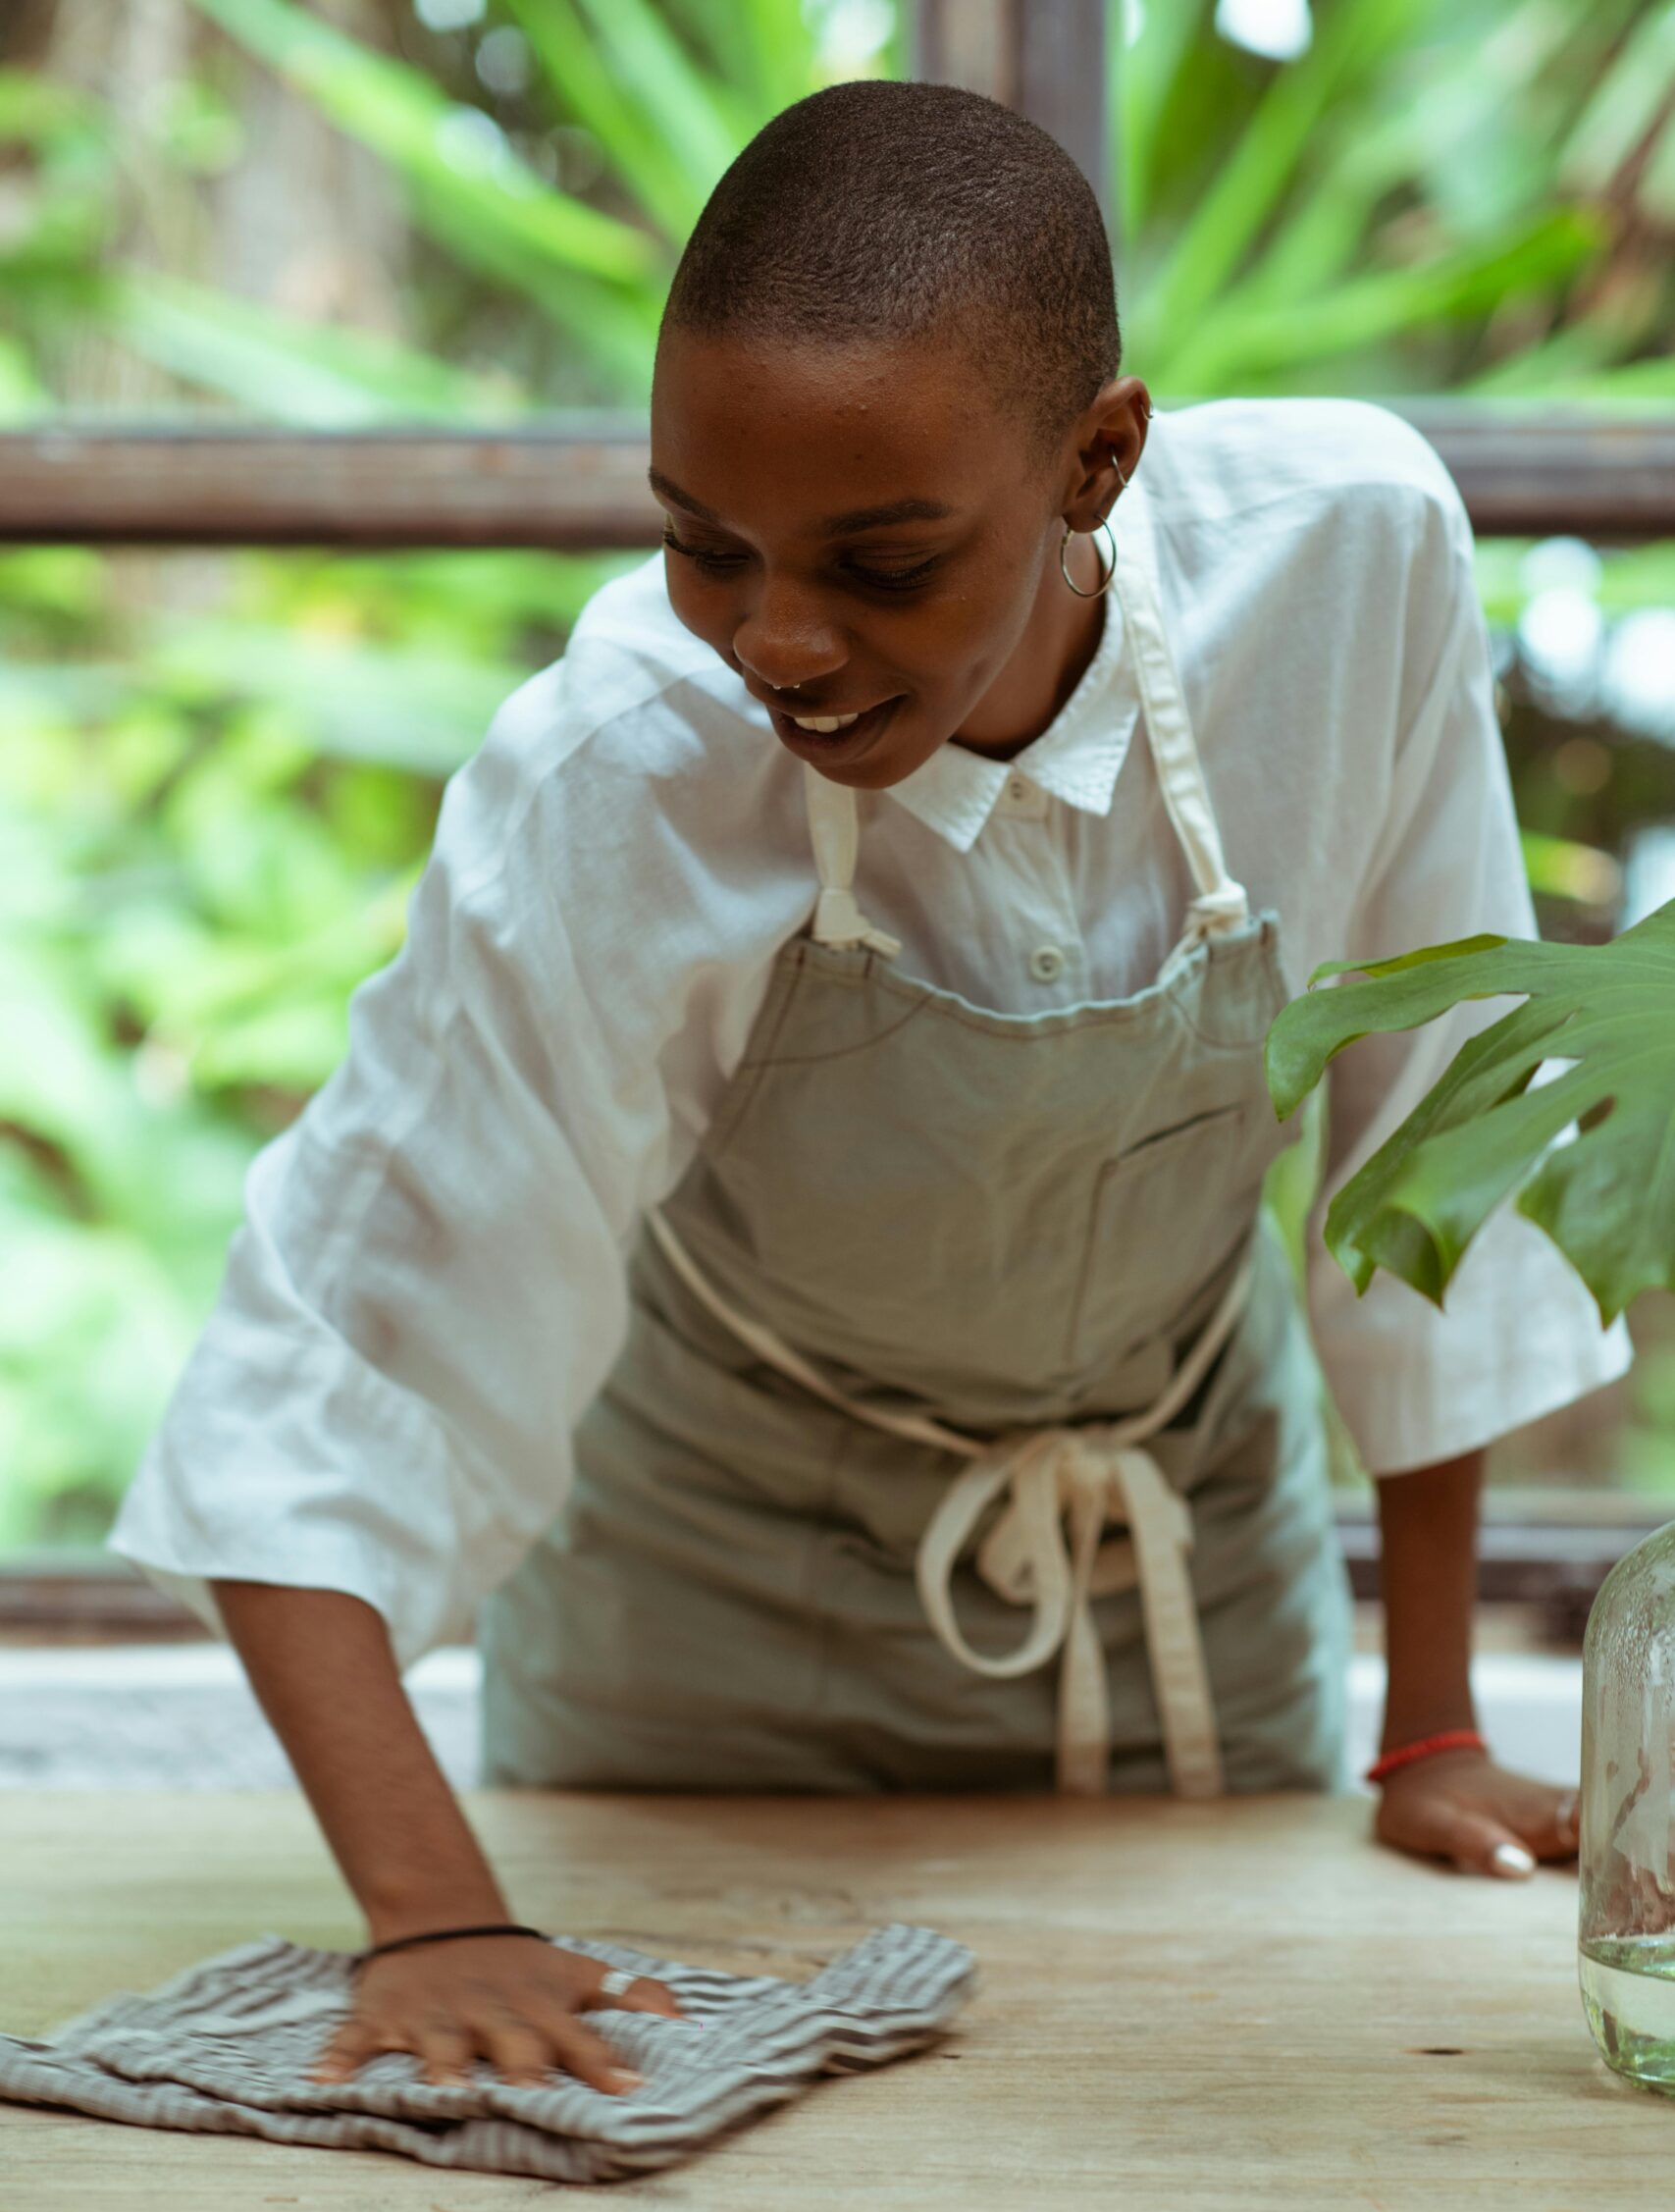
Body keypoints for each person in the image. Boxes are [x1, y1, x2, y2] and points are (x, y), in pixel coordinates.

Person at [109, 80, 1631, 2097]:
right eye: (698, 546)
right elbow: (329, 1359)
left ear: (1097, 459)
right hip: (696, 1648)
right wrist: (440, 1914)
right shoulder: (621, 774)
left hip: (1181, 1617)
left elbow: (1428, 1130)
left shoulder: (1342, 566)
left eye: (880, 560)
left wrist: (1426, 1720)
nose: (776, 638)